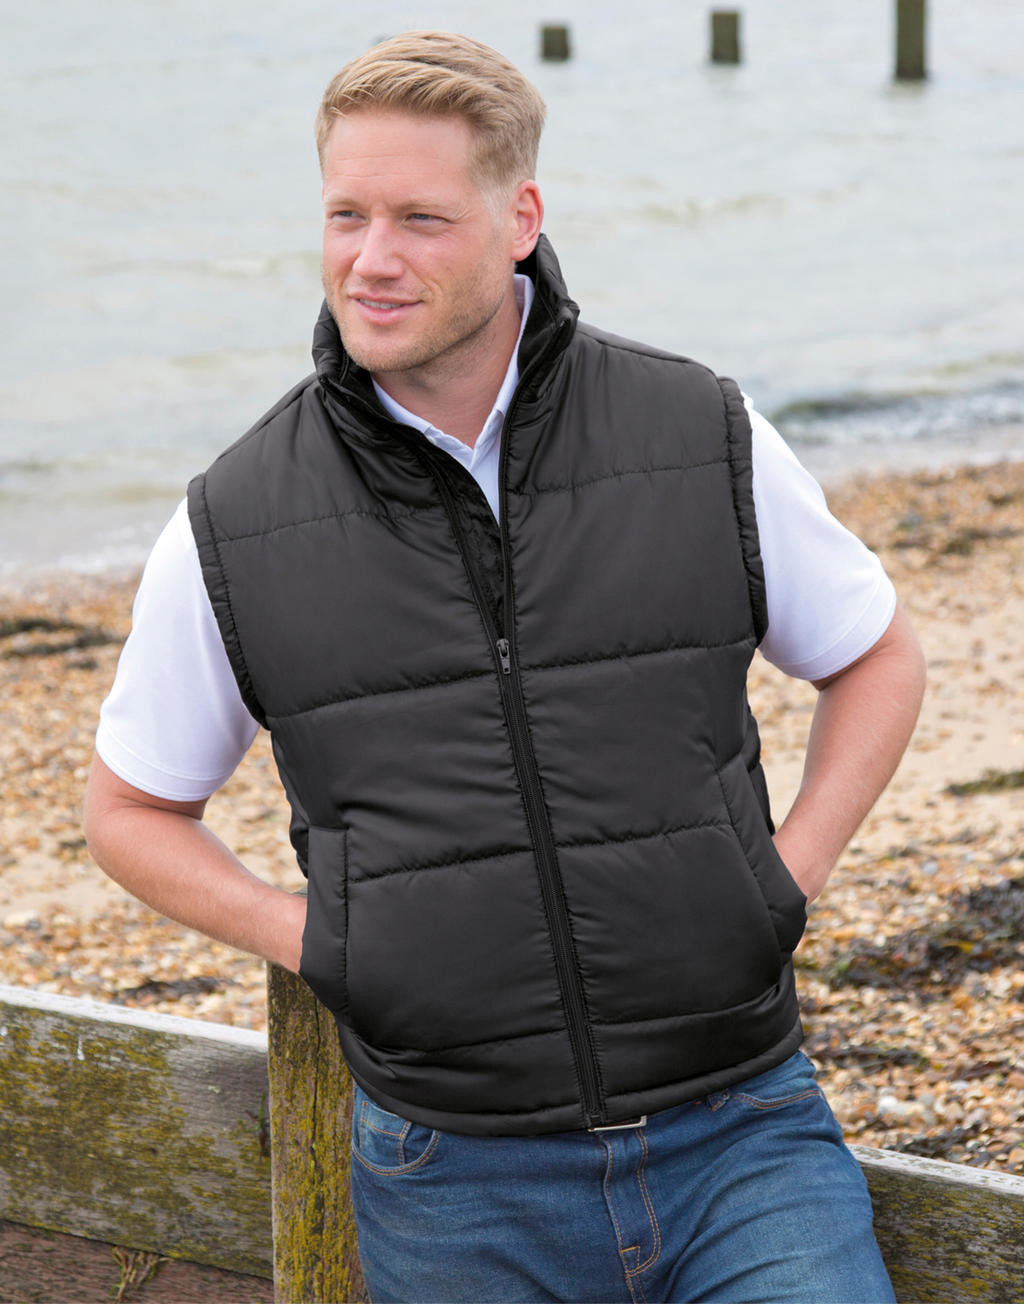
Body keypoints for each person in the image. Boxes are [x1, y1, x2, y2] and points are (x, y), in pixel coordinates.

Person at [84, 30, 925, 1303]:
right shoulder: (237, 518)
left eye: (419, 218)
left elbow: (876, 656)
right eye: (347, 215)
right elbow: (129, 809)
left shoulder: (695, 430)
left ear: (519, 218)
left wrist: (778, 877)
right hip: (453, 1177)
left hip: (743, 1137)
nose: (371, 259)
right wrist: (328, 942)